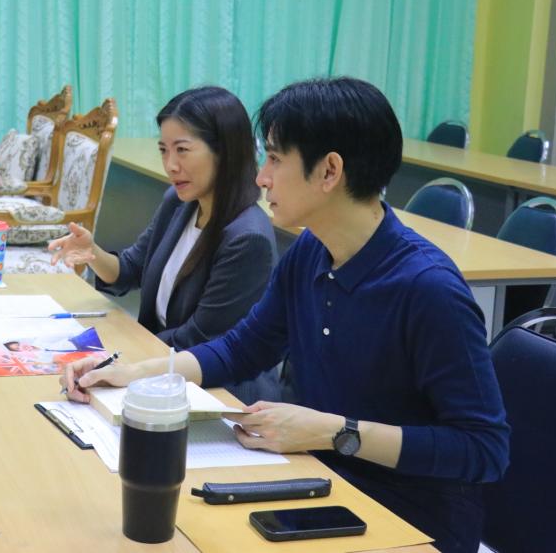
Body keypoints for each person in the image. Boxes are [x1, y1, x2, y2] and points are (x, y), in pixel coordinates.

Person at [61, 78, 509, 553]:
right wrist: (136, 374)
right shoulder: (312, 251)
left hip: (410, 523)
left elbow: (484, 448)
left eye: (275, 159)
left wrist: (335, 433)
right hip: (320, 483)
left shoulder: (428, 289)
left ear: (329, 171)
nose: (261, 177)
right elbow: (243, 347)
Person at [47, 86, 279, 401]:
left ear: (224, 151)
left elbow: (197, 339)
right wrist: (92, 253)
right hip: (158, 367)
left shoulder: (247, 238)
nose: (170, 165)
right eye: (163, 150)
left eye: (182, 150)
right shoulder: (180, 202)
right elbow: (130, 269)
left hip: (218, 393)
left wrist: (119, 360)